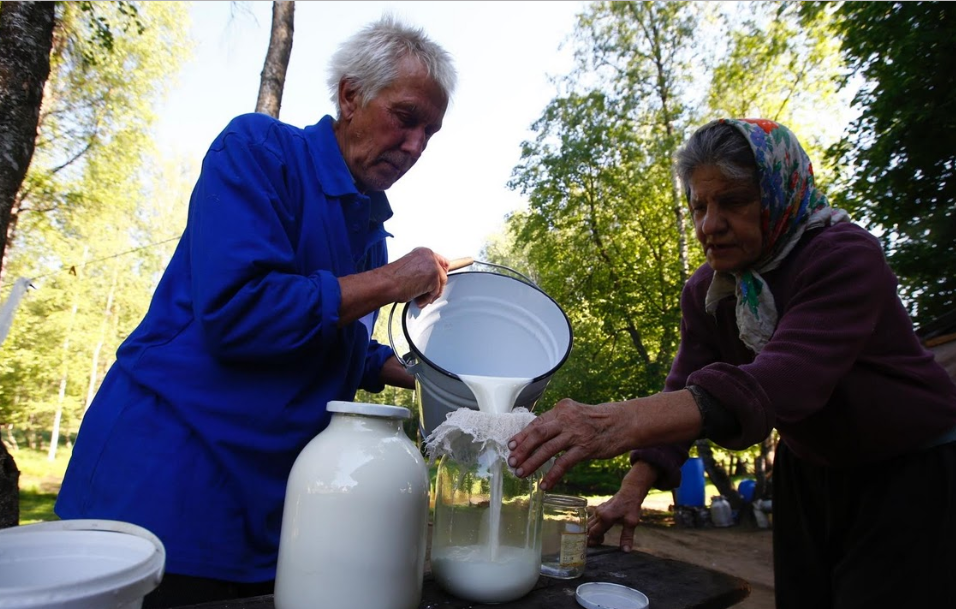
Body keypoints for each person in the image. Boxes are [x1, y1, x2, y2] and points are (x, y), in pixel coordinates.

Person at [55, 15, 457, 608]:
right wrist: (393, 279)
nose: (416, 145)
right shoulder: (259, 151)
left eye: (431, 132)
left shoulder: (370, 230)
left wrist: (421, 373)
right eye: (405, 117)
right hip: (169, 489)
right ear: (350, 95)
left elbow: (331, 339)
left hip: (272, 508)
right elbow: (241, 312)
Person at [508, 118, 956, 608]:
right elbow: (684, 384)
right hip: (808, 471)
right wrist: (634, 487)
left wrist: (612, 422)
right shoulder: (711, 290)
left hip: (909, 469)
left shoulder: (843, 256)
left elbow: (786, 379)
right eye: (699, 206)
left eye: (734, 201)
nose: (709, 225)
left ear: (780, 194)